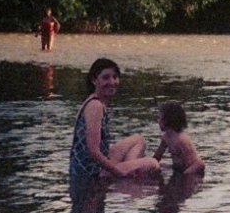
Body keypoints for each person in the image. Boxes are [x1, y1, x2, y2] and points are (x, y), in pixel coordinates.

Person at [69, 57, 160, 190]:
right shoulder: (95, 106)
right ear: (94, 80)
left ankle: (129, 172)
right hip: (90, 172)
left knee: (138, 140)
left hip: (91, 166)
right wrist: (119, 172)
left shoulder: (96, 101)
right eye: (105, 78)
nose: (112, 82)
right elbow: (93, 151)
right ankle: (124, 180)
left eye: (115, 77)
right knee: (152, 164)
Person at [153, 101, 205, 176]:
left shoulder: (181, 139)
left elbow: (198, 164)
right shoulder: (166, 137)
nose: (158, 121)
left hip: (189, 169)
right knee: (160, 165)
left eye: (160, 118)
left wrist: (185, 175)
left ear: (168, 120)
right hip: (178, 168)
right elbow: (156, 158)